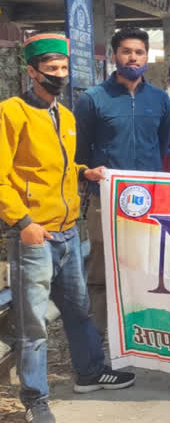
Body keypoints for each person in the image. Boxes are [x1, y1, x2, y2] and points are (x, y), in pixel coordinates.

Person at [1, 35, 135, 423]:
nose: (59, 75)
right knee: (34, 326)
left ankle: (90, 372)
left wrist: (84, 172)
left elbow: (55, 170)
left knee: (78, 310)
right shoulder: (11, 112)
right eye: (51, 69)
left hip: (67, 231)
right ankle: (35, 399)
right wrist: (22, 222)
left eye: (63, 68)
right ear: (32, 71)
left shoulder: (66, 115)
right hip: (34, 236)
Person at [74, 27, 170, 333]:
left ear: (147, 56)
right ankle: (102, 338)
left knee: (147, 265)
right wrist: (87, 174)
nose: (133, 57)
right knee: (102, 269)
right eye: (127, 51)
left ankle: (143, 332)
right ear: (114, 55)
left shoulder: (159, 100)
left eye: (139, 52)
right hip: (105, 199)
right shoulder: (93, 99)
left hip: (148, 200)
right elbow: (79, 153)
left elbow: (161, 145)